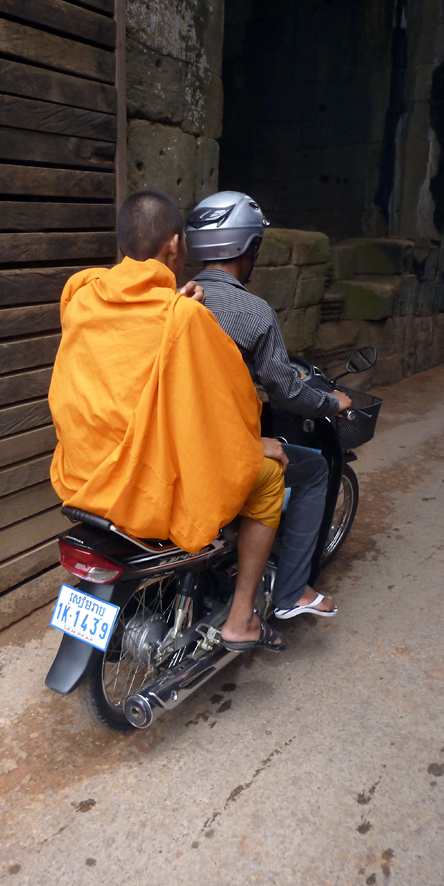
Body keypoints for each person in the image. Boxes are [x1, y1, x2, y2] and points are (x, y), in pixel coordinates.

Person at [48, 190, 289, 652]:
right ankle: (241, 619)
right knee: (268, 480)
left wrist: (176, 304)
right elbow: (228, 407)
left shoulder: (80, 297)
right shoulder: (184, 317)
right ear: (175, 245)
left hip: (79, 476)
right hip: (139, 488)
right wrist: (255, 444)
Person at [187, 190, 352, 620]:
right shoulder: (253, 312)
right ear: (250, 247)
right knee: (314, 470)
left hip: (176, 439)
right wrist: (329, 402)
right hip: (217, 450)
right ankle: (292, 591)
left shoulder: (174, 298)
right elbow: (285, 391)